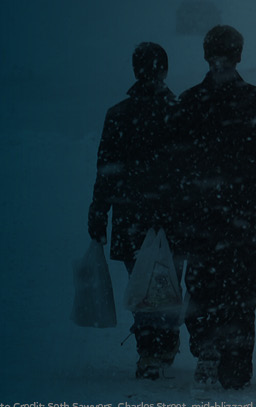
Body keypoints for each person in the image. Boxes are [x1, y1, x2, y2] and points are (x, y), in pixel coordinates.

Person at [170, 25, 256, 390]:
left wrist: (173, 211)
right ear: (238, 56)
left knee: (203, 283)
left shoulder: (190, 101)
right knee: (239, 290)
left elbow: (176, 166)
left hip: (202, 215)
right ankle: (234, 359)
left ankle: (208, 347)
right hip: (244, 215)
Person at [87, 42, 181, 380]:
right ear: (164, 70)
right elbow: (190, 167)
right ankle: (166, 341)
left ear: (135, 71)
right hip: (173, 215)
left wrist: (98, 212)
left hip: (132, 215)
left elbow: (107, 170)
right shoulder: (178, 112)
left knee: (141, 284)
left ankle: (149, 349)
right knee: (168, 282)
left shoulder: (119, 115)